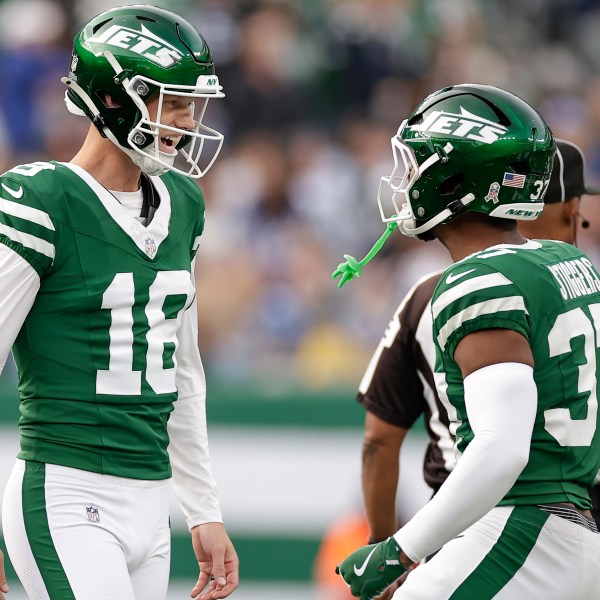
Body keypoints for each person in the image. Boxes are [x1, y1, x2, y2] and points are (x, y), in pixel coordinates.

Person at [0, 6, 238, 600]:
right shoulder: (42, 200)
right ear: (112, 98)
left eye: (191, 104)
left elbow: (181, 372)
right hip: (65, 489)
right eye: (172, 102)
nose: (186, 122)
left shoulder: (184, 203)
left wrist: (202, 508)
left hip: (151, 501)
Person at [334, 83, 600, 599]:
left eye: (416, 163)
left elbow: (502, 449)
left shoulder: (479, 283)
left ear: (455, 177)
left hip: (523, 529)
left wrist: (397, 550)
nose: (404, 178)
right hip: (574, 531)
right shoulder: (568, 263)